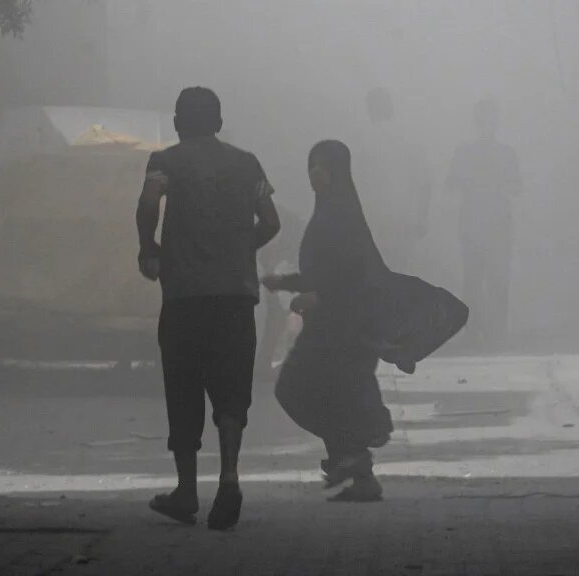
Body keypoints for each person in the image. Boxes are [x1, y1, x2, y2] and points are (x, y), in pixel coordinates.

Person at [136, 87, 281, 530]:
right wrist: (239, 250)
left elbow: (146, 204)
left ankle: (186, 491)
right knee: (232, 389)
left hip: (184, 297)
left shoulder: (164, 161)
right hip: (236, 296)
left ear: (179, 123)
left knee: (183, 388)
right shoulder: (247, 163)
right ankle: (230, 480)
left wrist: (150, 249)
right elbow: (271, 222)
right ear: (219, 123)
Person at [263, 140, 394, 503]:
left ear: (338, 171)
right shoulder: (327, 212)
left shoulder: (343, 215)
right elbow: (322, 272)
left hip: (345, 328)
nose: (315, 173)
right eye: (311, 165)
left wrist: (320, 297)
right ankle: (356, 468)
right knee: (330, 395)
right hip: (327, 327)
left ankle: (352, 458)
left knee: (296, 388)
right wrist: (286, 283)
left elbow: (352, 276)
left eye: (323, 166)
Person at [446, 99, 521, 353]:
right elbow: (517, 187)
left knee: (473, 280)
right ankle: (498, 334)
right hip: (498, 223)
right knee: (498, 280)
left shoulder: (464, 152)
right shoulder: (506, 153)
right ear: (496, 122)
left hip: (472, 224)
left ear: (476, 120)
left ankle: (473, 334)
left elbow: (451, 183)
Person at [357, 87, 433, 273]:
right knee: (400, 272)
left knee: (374, 274)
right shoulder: (409, 139)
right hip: (404, 219)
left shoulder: (365, 140)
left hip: (375, 220)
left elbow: (359, 182)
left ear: (370, 110)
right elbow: (425, 182)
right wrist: (422, 216)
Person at [254, 204, 305, 384]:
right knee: (273, 315)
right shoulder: (283, 223)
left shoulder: (291, 228)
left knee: (276, 314)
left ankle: (263, 363)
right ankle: (262, 364)